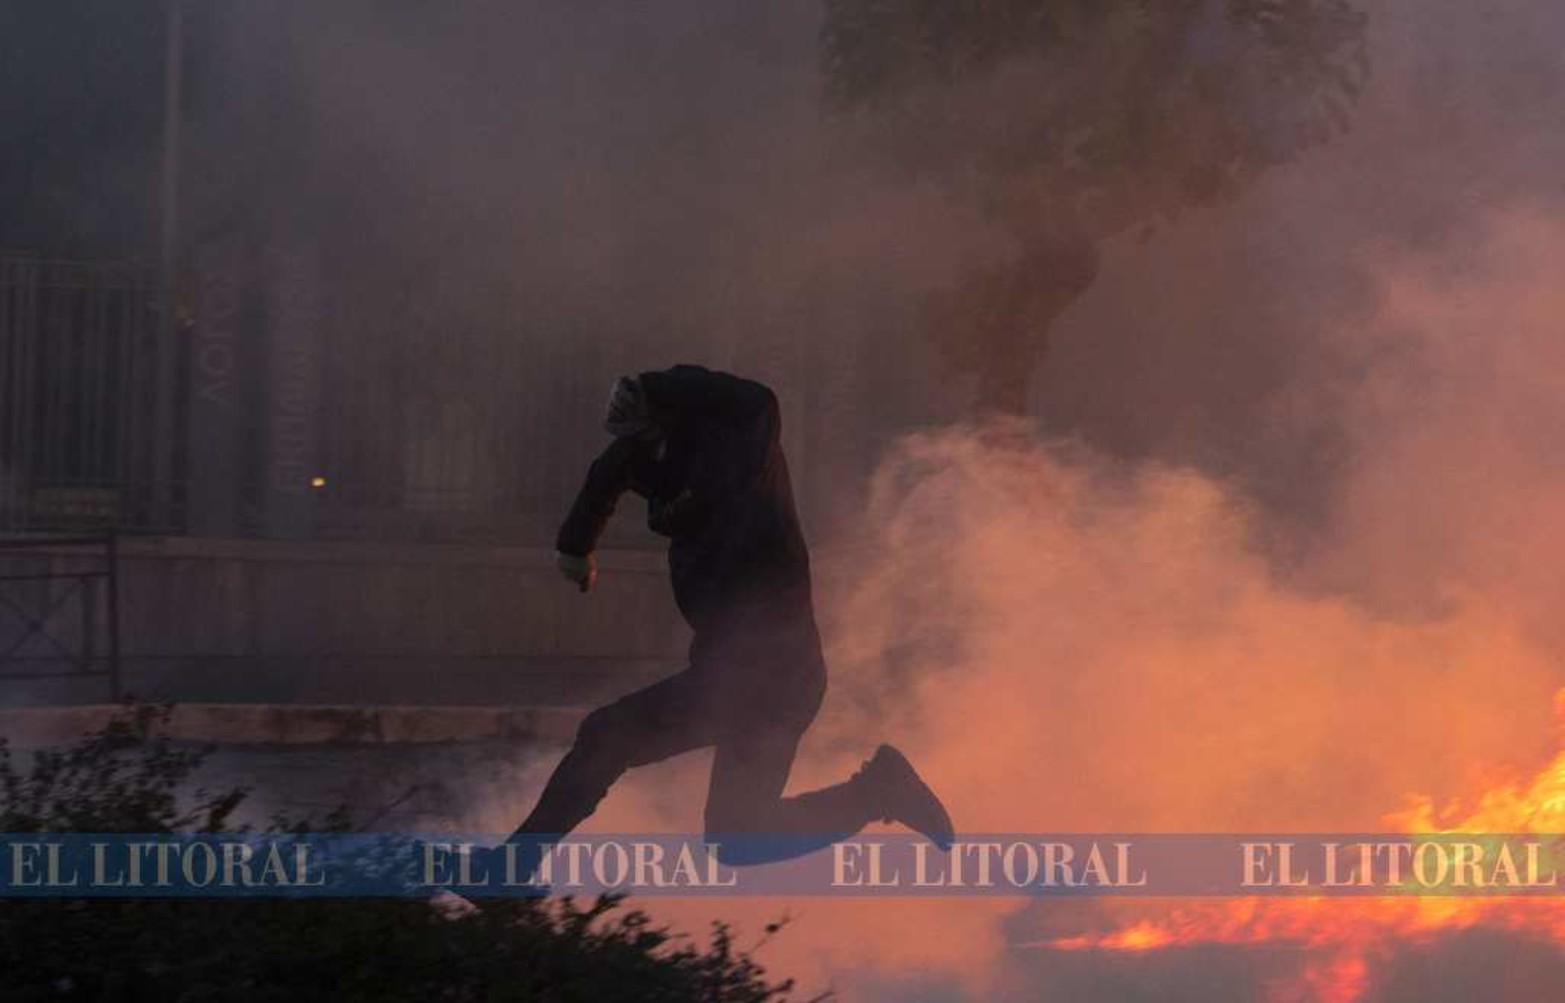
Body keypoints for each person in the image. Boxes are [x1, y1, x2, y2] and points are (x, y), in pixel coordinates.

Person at [508, 364, 952, 866]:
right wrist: (576, 544)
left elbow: (759, 401)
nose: (652, 469)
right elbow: (606, 476)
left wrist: (657, 386)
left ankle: (511, 869)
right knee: (737, 837)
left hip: (770, 677)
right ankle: (879, 792)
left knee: (606, 738)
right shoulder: (670, 493)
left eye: (657, 439)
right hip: (745, 678)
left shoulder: (746, 464)